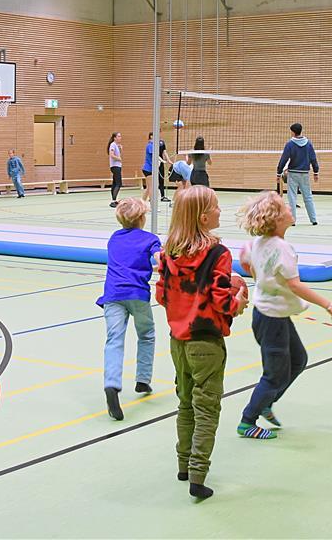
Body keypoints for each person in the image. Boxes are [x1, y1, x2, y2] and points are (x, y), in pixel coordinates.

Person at [156, 186, 248, 501]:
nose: (221, 211)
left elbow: (161, 294)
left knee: (185, 403)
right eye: (217, 206)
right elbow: (222, 301)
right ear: (203, 216)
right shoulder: (217, 253)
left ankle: (183, 465)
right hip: (206, 341)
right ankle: (198, 475)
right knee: (207, 408)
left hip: (177, 340)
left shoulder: (169, 250)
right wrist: (238, 300)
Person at [237, 192, 332, 440]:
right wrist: (328, 304)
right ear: (276, 218)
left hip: (272, 315)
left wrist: (253, 270)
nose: (290, 208)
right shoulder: (282, 248)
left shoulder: (260, 243)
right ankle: (247, 421)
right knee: (274, 374)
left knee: (298, 360)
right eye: (285, 207)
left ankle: (266, 402)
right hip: (271, 318)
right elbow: (295, 285)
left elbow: (250, 267)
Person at [99, 198, 161, 421]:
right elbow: (158, 259)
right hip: (137, 295)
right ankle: (143, 379)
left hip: (113, 294)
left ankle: (112, 384)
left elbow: (127, 262)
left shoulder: (114, 239)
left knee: (114, 339)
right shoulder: (150, 239)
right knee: (146, 334)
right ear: (142, 218)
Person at [276, 122, 319, 226]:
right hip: (304, 173)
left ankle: (292, 220)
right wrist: (316, 172)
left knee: (292, 197)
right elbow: (313, 158)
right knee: (308, 196)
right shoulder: (308, 143)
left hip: (293, 173)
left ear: (292, 132)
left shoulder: (290, 144)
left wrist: (279, 173)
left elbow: (284, 159)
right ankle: (313, 220)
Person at [141, 133, 170, 203]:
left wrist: (163, 161)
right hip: (148, 169)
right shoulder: (150, 145)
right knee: (151, 188)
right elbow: (155, 156)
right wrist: (162, 161)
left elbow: (157, 155)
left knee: (148, 188)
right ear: (151, 137)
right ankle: (152, 206)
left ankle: (141, 203)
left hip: (151, 169)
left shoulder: (154, 146)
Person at [107, 132, 122, 208]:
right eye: (119, 136)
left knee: (115, 183)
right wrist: (119, 158)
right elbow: (111, 155)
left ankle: (114, 200)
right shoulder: (113, 144)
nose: (120, 137)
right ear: (114, 138)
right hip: (115, 166)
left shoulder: (116, 145)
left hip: (117, 166)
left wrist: (120, 149)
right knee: (118, 183)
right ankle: (113, 200)